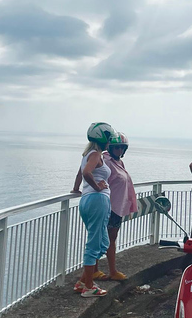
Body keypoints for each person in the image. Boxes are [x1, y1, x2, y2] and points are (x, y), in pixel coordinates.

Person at [74, 122, 116, 297]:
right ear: (102, 138)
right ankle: (89, 287)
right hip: (97, 200)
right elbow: (86, 173)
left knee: (103, 242)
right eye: (108, 138)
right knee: (94, 243)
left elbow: (80, 174)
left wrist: (77, 189)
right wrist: (98, 188)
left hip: (87, 200)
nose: (110, 142)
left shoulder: (87, 154)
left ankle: (82, 282)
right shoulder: (95, 155)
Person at [96, 132, 138, 281]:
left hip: (117, 207)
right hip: (108, 206)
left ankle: (109, 270)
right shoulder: (106, 161)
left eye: (122, 148)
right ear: (111, 147)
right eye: (117, 147)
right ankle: (105, 271)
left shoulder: (119, 163)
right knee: (102, 238)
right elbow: (97, 177)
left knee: (110, 238)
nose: (119, 150)